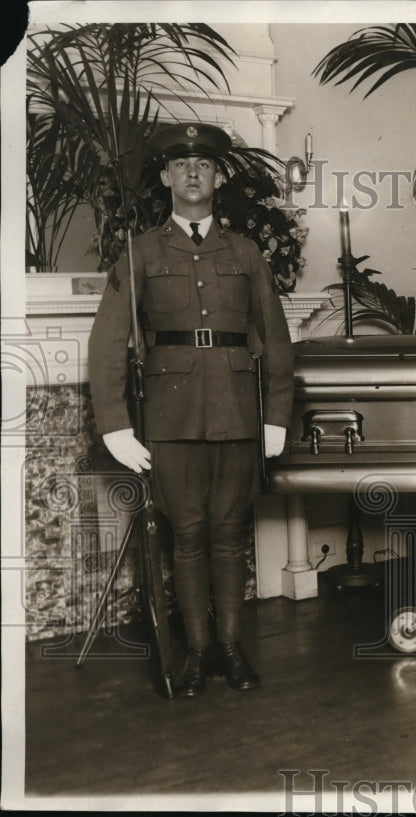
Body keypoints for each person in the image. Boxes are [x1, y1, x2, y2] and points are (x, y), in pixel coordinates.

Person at [89, 122, 294, 697]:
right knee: (188, 535)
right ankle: (198, 653)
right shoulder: (141, 252)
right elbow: (108, 344)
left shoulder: (246, 252)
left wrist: (275, 416)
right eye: (181, 165)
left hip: (236, 411)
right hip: (171, 418)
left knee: (230, 534)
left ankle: (231, 647)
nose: (193, 173)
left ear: (219, 176)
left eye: (203, 164)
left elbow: (274, 340)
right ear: (164, 177)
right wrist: (116, 426)